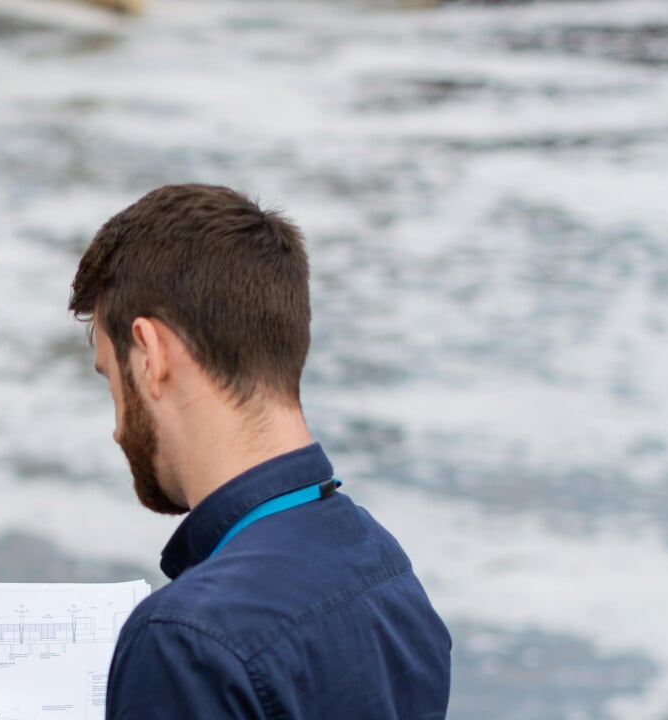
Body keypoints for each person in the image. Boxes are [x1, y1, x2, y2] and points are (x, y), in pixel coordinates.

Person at [70, 184, 452, 718]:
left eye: (110, 377)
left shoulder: (184, 642)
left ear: (151, 353)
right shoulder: (387, 571)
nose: (115, 430)